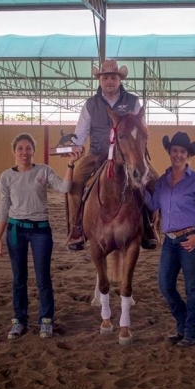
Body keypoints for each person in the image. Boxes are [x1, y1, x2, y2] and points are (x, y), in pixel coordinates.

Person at [0, 133, 81, 340]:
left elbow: (64, 188)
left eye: (28, 148)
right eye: (20, 148)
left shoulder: (44, 171)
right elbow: (4, 207)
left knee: (43, 278)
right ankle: (19, 320)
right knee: (19, 278)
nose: (24, 152)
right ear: (14, 152)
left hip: (40, 230)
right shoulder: (7, 176)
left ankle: (46, 320)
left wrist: (70, 165)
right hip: (15, 231)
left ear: (33, 151)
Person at [66, 59, 158, 251]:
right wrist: (75, 146)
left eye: (113, 78)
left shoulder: (132, 101)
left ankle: (149, 226)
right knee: (75, 183)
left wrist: (138, 151)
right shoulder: (90, 104)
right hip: (97, 153)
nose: (109, 81)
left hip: (129, 153)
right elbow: (81, 131)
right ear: (100, 80)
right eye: (105, 78)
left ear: (119, 80)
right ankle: (76, 230)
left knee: (155, 183)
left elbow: (141, 127)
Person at [145, 132, 195, 347]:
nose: (178, 155)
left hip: (190, 239)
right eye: (174, 150)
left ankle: (191, 332)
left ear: (188, 155)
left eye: (182, 152)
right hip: (170, 241)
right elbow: (152, 204)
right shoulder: (162, 181)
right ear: (169, 152)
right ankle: (185, 324)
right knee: (165, 284)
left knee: (192, 287)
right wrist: (138, 187)